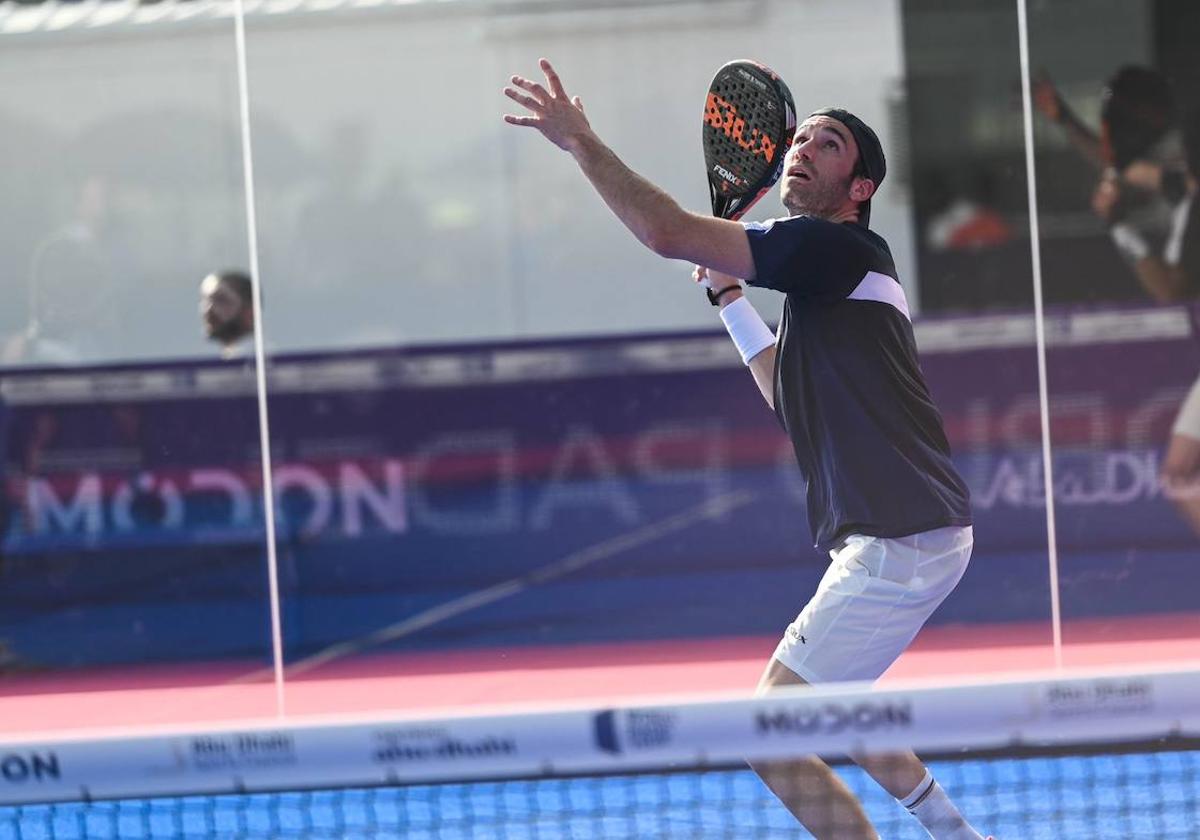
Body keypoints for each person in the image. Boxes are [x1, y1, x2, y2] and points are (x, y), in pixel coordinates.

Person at [504, 59, 982, 840]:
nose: (800, 148)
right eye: (796, 139)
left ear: (859, 189)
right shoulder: (824, 286)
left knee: (771, 735)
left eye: (826, 144)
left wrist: (582, 142)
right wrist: (730, 299)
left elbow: (665, 232)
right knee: (838, 700)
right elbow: (790, 400)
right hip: (908, 534)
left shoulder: (834, 252)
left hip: (901, 540)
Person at [1034, 66, 1189, 301]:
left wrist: (1117, 223)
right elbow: (1124, 169)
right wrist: (1066, 121)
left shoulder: (1183, 150)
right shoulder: (1164, 160)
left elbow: (1167, 291)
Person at [199, 270, 255, 359]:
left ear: (250, 310)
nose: (208, 309)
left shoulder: (267, 365)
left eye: (221, 300)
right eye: (206, 300)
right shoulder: (211, 363)